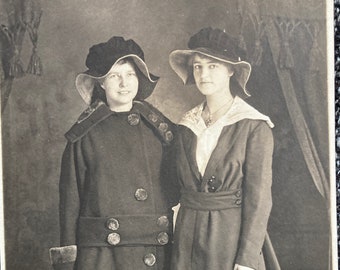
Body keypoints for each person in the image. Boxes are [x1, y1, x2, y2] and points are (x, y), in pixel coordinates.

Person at [49, 36, 179, 270]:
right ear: (100, 83)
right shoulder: (83, 136)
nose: (124, 83)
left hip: (155, 251)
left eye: (130, 74)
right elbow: (69, 204)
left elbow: (178, 190)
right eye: (114, 76)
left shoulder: (161, 131)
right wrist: (68, 261)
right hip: (102, 255)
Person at [168, 27, 280, 270]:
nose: (203, 74)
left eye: (213, 66)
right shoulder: (186, 125)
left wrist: (247, 259)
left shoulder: (253, 126)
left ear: (231, 70)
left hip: (229, 240)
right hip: (185, 240)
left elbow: (259, 200)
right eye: (197, 66)